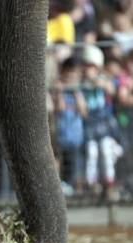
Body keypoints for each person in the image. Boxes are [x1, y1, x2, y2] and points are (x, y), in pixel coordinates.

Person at [81, 45, 123, 198]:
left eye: (91, 66)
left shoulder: (104, 80)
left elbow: (113, 90)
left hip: (105, 126)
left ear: (98, 67)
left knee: (106, 150)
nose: (87, 70)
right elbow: (83, 110)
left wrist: (102, 83)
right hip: (91, 126)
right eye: (85, 66)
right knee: (92, 152)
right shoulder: (81, 85)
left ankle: (109, 183)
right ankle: (92, 184)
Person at [53, 56, 88, 195]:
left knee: (75, 165)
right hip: (61, 135)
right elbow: (60, 108)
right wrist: (60, 91)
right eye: (69, 75)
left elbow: (83, 111)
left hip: (76, 137)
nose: (71, 78)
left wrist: (75, 92)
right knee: (61, 162)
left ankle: (74, 188)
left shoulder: (79, 90)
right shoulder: (58, 90)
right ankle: (61, 187)